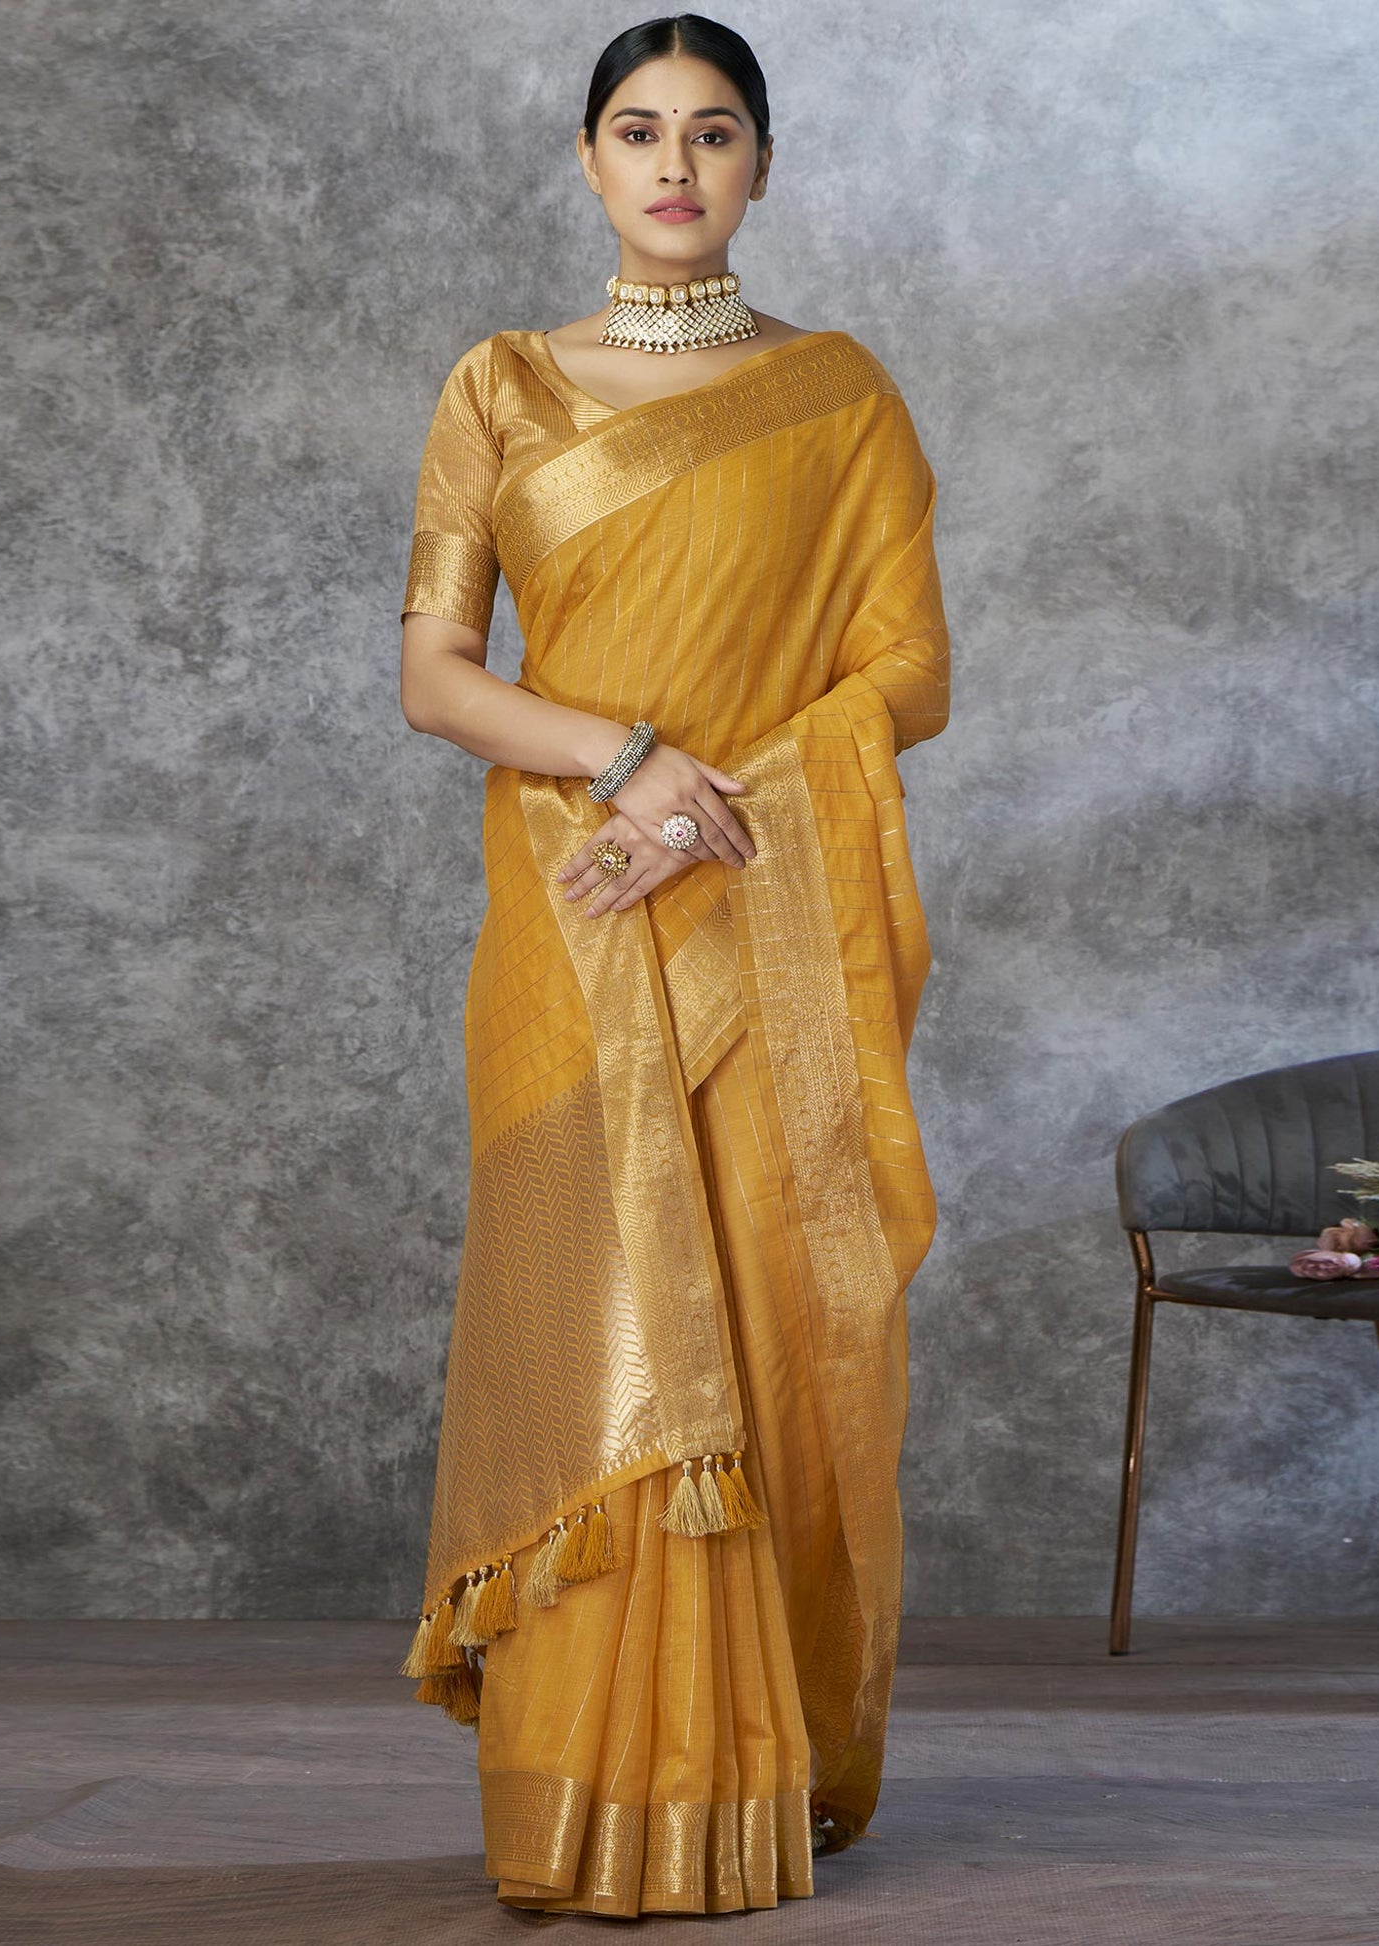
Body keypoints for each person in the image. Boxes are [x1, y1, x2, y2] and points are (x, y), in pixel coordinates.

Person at [396, 12, 951, 1917]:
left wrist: (730, 805)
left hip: (762, 928)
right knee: (601, 1331)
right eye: (638, 131)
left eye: (713, 133)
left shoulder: (837, 394)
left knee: (775, 1337)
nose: (675, 165)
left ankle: (741, 1784)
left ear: (762, 167)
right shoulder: (500, 388)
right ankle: (585, 1799)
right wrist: (629, 766)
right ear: (586, 159)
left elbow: (907, 670)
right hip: (572, 924)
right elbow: (435, 676)